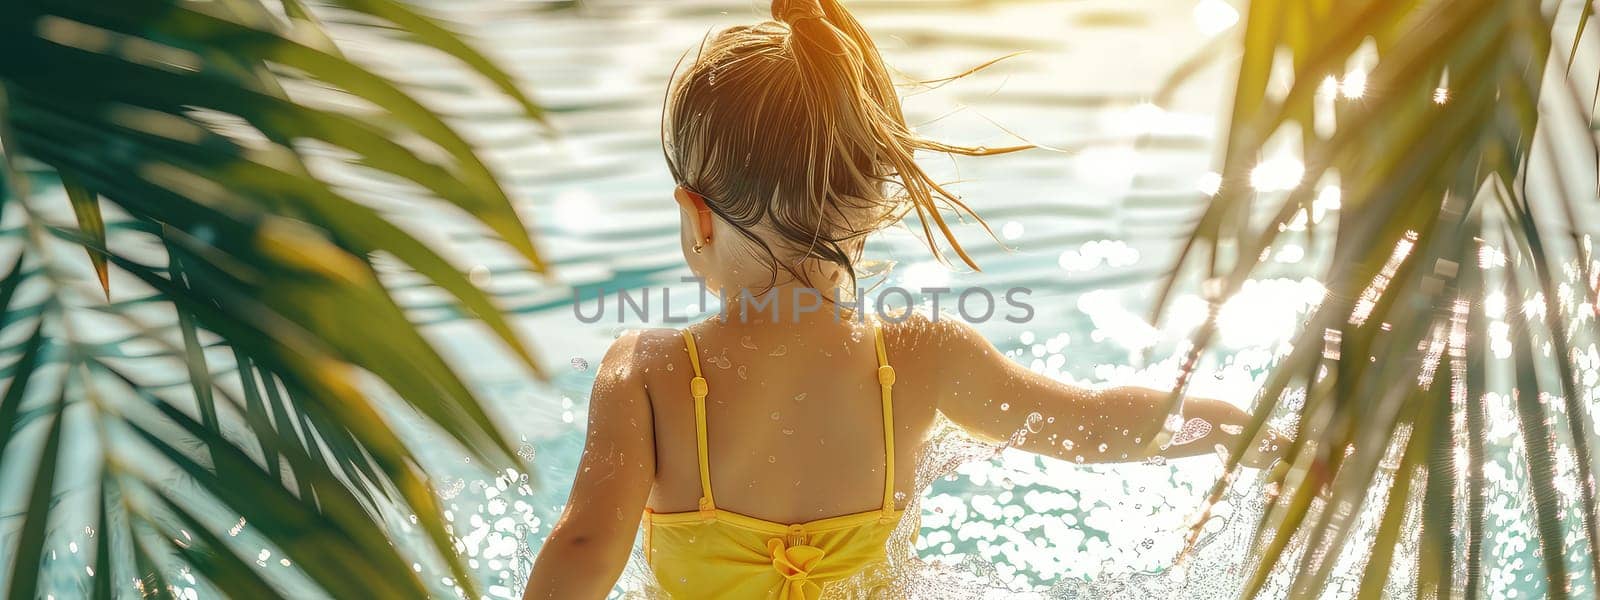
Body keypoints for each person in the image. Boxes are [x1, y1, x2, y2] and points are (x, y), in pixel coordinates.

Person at [522, 1, 1282, 597]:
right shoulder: (922, 359)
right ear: (874, 195)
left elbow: (586, 549)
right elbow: (1090, 425)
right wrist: (1223, 427)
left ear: (694, 214)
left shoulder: (649, 373)